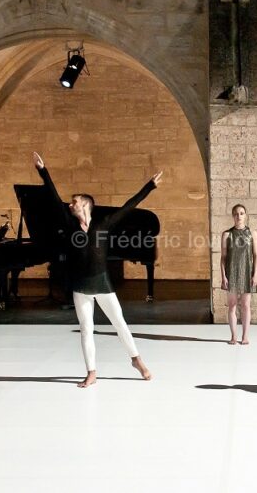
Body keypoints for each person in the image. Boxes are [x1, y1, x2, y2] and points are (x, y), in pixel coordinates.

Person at [31, 151, 159, 388]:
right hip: (80, 286)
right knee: (86, 330)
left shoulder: (104, 224)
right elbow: (53, 198)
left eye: (75, 202)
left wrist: (149, 186)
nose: (70, 204)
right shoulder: (69, 225)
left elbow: (129, 206)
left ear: (86, 205)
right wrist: (43, 171)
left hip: (102, 283)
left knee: (119, 323)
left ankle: (136, 360)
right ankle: (91, 372)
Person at [220, 204, 257, 345]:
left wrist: (255, 275)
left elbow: (256, 255)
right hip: (231, 272)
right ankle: (233, 336)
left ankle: (245, 337)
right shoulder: (227, 234)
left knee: (246, 305)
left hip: (247, 272)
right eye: (236, 214)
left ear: (245, 215)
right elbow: (223, 258)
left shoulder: (252, 234)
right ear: (233, 216)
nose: (239, 216)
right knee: (232, 305)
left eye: (242, 213)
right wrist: (223, 276)